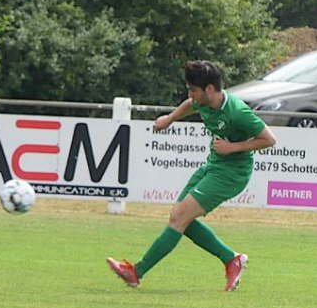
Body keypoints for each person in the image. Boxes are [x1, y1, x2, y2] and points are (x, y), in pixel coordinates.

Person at [107, 60, 276, 291]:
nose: (190, 94)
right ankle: (231, 259)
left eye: (193, 90)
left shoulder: (237, 112)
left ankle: (136, 271)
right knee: (179, 217)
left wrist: (232, 148)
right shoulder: (202, 101)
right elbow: (190, 104)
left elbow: (269, 139)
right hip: (213, 165)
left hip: (232, 174)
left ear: (209, 89)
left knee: (179, 217)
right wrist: (169, 119)